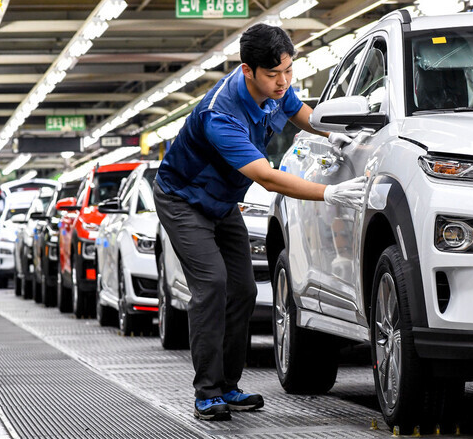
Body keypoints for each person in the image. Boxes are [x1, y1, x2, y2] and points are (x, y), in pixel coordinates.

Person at [153, 23, 366, 421]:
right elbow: (266, 177)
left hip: (222, 203)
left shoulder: (274, 88)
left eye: (289, 70)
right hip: (183, 202)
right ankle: (207, 393)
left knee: (245, 289)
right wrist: (327, 192)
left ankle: (229, 386)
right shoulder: (222, 114)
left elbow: (299, 112)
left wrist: (338, 135)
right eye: (273, 74)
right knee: (213, 284)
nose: (283, 80)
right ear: (247, 71)